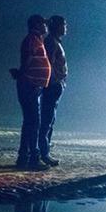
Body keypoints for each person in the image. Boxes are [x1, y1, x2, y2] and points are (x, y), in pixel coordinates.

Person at [11, 15, 51, 170]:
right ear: (37, 24)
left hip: (32, 85)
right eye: (44, 24)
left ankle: (24, 157)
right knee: (33, 122)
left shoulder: (35, 39)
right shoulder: (32, 40)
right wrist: (23, 74)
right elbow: (27, 59)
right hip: (30, 85)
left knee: (30, 122)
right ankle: (33, 158)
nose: (46, 27)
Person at [38, 15, 67, 167]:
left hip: (55, 85)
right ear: (57, 26)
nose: (66, 27)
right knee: (47, 120)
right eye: (64, 24)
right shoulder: (51, 42)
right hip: (52, 86)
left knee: (49, 120)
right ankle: (43, 152)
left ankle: (44, 150)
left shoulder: (54, 42)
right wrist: (54, 82)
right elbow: (49, 63)